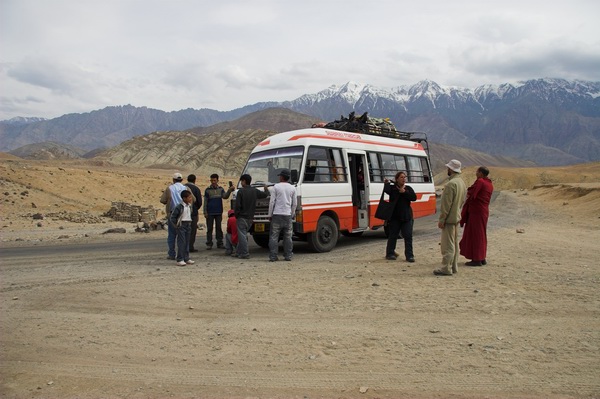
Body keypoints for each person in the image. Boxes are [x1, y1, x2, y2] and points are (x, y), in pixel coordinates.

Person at [434, 159, 467, 276]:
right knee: (454, 243)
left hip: (449, 219)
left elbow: (446, 205)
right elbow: (462, 201)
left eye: (448, 168)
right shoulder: (461, 183)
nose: (447, 170)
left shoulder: (450, 184)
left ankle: (446, 268)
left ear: (451, 169)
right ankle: (454, 266)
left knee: (447, 244)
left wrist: (442, 219)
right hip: (456, 217)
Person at [460, 166, 494, 266]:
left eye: (477, 172)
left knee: (476, 234)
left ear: (481, 174)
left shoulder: (480, 182)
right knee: (481, 233)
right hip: (483, 211)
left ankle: (477, 259)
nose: (476, 173)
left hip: (476, 212)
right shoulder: (489, 184)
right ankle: (482, 257)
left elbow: (471, 193)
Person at [383, 171, 417, 262]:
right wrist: (386, 183)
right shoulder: (393, 189)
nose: (403, 179)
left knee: (408, 236)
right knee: (393, 235)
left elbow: (414, 198)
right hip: (395, 217)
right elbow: (386, 190)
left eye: (404, 177)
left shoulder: (408, 188)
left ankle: (409, 255)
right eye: (401, 177)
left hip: (406, 217)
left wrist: (404, 192)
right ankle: (390, 253)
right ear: (397, 179)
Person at [234, 174, 269, 259]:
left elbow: (237, 206)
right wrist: (266, 189)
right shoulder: (255, 191)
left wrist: (237, 214)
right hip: (251, 218)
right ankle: (238, 252)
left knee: (242, 236)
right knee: (243, 235)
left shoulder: (241, 192)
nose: (241, 183)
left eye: (241, 181)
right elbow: (265, 195)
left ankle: (245, 253)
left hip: (242, 217)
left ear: (244, 181)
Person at [268, 169, 297, 262]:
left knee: (274, 236)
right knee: (288, 236)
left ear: (281, 177)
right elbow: (295, 204)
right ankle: (288, 256)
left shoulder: (276, 187)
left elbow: (272, 202)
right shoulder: (293, 188)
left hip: (277, 215)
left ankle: (273, 256)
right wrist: (292, 214)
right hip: (287, 215)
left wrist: (270, 214)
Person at [160, 172, 189, 260]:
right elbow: (193, 199)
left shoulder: (170, 188)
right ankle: (183, 254)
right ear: (182, 180)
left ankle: (172, 254)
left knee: (172, 235)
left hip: (173, 213)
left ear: (173, 180)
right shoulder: (186, 188)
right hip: (184, 214)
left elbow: (162, 200)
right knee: (183, 235)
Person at [203, 174, 234, 250]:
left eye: (214, 180)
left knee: (219, 228)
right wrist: (205, 212)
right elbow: (205, 202)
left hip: (218, 212)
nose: (213, 182)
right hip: (210, 212)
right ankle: (209, 243)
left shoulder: (221, 189)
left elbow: (225, 196)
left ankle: (219, 243)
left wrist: (229, 190)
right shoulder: (207, 190)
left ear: (217, 180)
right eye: (212, 180)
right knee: (209, 228)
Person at [169, 190, 197, 266]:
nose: (191, 199)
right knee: (182, 242)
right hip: (182, 225)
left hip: (188, 224)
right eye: (189, 197)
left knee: (187, 242)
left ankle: (186, 258)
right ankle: (180, 259)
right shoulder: (179, 206)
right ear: (184, 198)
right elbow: (173, 217)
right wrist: (176, 225)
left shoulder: (189, 206)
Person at [185, 174, 202, 252]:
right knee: (192, 230)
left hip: (183, 212)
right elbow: (199, 202)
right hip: (193, 213)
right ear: (195, 180)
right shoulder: (196, 189)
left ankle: (184, 246)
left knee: (184, 229)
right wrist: (195, 209)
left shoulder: (183, 187)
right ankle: (190, 247)